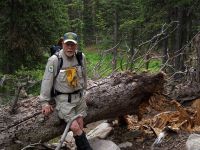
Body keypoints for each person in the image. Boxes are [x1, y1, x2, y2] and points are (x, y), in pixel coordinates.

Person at [39, 32, 92, 150]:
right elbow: (47, 81)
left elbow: (84, 75)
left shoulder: (80, 57)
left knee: (80, 123)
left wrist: (85, 90)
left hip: (79, 97)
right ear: (62, 44)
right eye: (67, 44)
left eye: (72, 45)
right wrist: (44, 102)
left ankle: (80, 147)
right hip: (63, 100)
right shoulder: (55, 60)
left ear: (76, 45)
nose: (70, 48)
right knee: (74, 127)